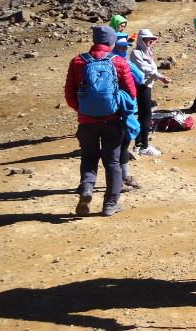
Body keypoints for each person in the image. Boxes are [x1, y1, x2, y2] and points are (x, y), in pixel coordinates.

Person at [64, 25, 136, 216]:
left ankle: (87, 188)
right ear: (112, 41)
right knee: (112, 161)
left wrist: (83, 110)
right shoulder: (118, 62)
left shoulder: (78, 61)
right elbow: (131, 93)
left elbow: (69, 94)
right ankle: (110, 204)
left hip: (86, 121)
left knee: (89, 157)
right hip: (112, 120)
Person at [131, 28, 172, 156]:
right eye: (146, 40)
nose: (149, 42)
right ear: (141, 40)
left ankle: (138, 145)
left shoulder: (147, 52)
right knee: (146, 115)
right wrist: (160, 77)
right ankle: (144, 146)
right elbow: (145, 69)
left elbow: (151, 68)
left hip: (147, 85)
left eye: (150, 40)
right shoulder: (136, 53)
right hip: (142, 85)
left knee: (144, 115)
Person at [112, 33, 144, 190]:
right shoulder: (123, 62)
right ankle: (123, 179)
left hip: (104, 109)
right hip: (123, 108)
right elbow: (140, 78)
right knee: (123, 144)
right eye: (123, 46)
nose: (124, 49)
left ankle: (87, 184)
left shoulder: (99, 59)